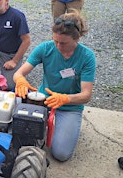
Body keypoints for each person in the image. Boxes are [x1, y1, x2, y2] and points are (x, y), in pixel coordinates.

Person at [13, 9, 96, 162]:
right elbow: (19, 73)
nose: (58, 46)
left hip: (69, 107)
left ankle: (63, 126)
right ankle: (49, 127)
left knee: (61, 154)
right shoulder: (45, 48)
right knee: (18, 137)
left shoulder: (87, 56)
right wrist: (20, 80)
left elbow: (86, 95)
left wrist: (65, 99)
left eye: (63, 43)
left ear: (77, 38)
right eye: (55, 41)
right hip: (43, 101)